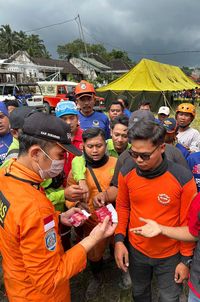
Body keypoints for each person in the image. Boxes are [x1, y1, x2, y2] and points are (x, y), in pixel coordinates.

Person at [0, 111, 117, 302]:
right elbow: (50, 278)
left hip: (17, 281)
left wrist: (57, 218)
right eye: (60, 154)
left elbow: (19, 227)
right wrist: (92, 239)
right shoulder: (35, 208)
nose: (62, 162)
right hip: (41, 296)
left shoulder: (7, 173)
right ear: (36, 153)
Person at [114, 119, 197, 302]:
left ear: (161, 148)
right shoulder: (127, 171)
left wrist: (185, 261)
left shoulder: (182, 178)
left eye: (144, 155)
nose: (137, 160)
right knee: (139, 293)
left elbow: (188, 225)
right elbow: (122, 206)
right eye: (133, 153)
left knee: (169, 298)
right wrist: (119, 240)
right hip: (136, 250)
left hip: (170, 255)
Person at [66, 127, 117, 300]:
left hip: (116, 218)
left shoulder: (116, 163)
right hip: (93, 223)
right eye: (90, 146)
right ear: (83, 147)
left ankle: (119, 267)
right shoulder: (78, 171)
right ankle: (97, 276)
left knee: (117, 244)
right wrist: (77, 204)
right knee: (94, 254)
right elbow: (68, 193)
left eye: (99, 145)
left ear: (106, 144)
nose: (95, 150)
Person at [131, 192, 200, 302]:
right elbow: (193, 232)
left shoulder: (183, 178)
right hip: (197, 286)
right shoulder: (198, 200)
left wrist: (185, 260)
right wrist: (161, 229)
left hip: (172, 256)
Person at [55, 100, 83, 178]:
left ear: (77, 118)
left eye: (71, 118)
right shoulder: (53, 139)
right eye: (64, 119)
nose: (68, 122)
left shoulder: (86, 138)